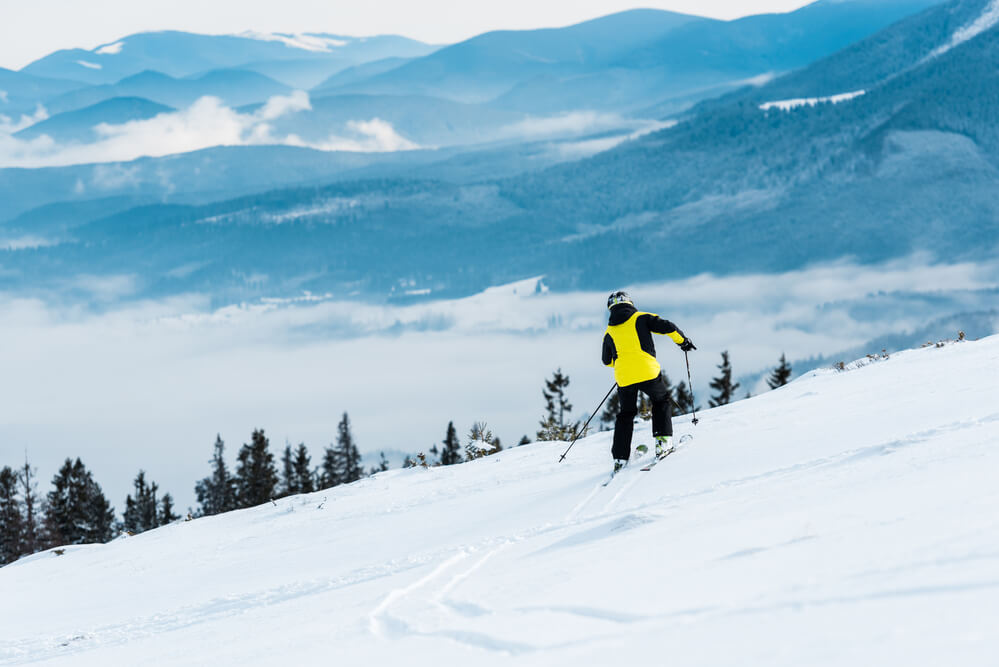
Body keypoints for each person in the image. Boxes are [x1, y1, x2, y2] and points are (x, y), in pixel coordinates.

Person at [602, 291, 695, 472]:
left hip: (624, 377)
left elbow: (607, 361)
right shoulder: (642, 318)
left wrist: (622, 363)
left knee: (626, 414)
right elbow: (669, 327)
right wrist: (683, 342)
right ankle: (663, 443)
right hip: (647, 371)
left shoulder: (609, 331)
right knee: (660, 401)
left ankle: (620, 458)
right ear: (630, 303)